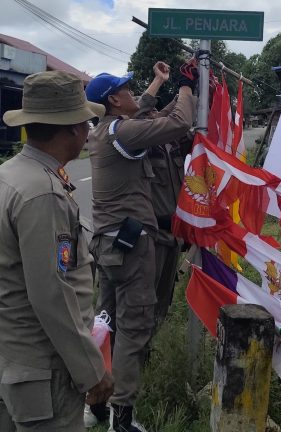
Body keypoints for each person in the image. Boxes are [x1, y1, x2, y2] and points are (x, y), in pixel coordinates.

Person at [0, 70, 113, 432]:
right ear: (72, 128)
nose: (88, 132)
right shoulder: (43, 192)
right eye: (86, 123)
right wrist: (92, 370)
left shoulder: (6, 174)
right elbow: (51, 294)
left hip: (11, 351)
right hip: (42, 365)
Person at [84, 61, 196, 432]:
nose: (135, 94)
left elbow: (143, 109)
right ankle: (122, 418)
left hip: (109, 244)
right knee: (134, 329)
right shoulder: (124, 132)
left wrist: (159, 82)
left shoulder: (107, 130)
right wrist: (185, 87)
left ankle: (95, 404)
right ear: (114, 100)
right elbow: (178, 122)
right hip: (132, 246)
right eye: (127, 90)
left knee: (105, 324)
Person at [135, 90, 189, 330]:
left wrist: (191, 90)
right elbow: (139, 116)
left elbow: (183, 118)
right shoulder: (138, 144)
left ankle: (152, 338)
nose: (154, 114)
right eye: (149, 112)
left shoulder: (172, 143)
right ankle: (136, 344)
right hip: (151, 236)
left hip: (173, 234)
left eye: (156, 111)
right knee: (143, 300)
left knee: (164, 297)